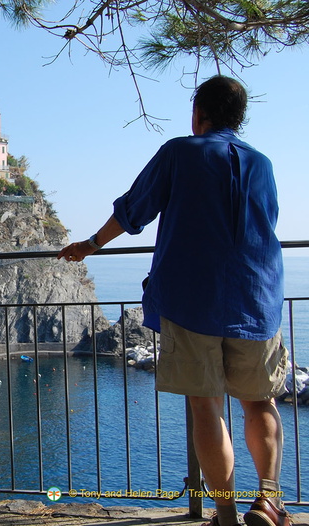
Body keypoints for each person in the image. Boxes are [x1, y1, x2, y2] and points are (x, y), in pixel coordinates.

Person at [58, 76, 290, 526]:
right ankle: (268, 501)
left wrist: (91, 243)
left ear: (197, 113)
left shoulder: (180, 152)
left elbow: (133, 209)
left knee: (206, 405)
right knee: (260, 403)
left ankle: (224, 515)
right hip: (257, 299)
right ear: (239, 117)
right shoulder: (262, 163)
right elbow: (268, 223)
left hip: (192, 300)